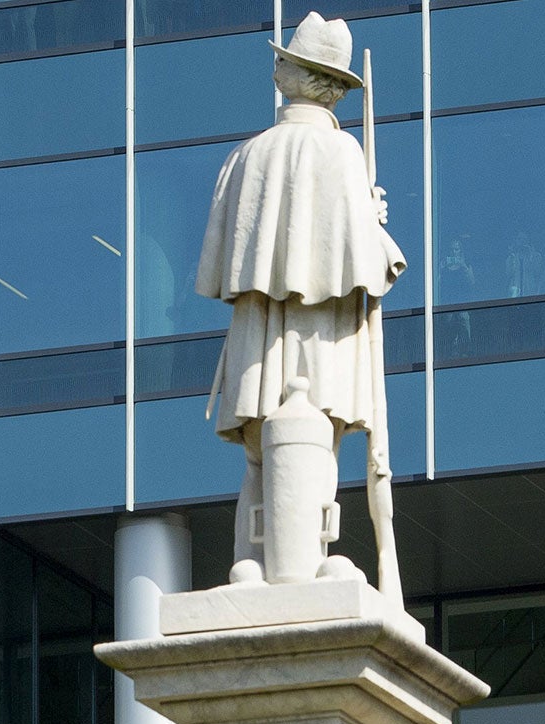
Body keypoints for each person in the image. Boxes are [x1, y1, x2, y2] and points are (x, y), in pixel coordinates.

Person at [195, 11, 407, 576]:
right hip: (324, 334)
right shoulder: (341, 156)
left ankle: (252, 563)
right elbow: (372, 263)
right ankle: (306, 561)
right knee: (318, 446)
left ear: (302, 75)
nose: (278, 62)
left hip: (260, 331)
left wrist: (366, 218)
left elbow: (226, 258)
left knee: (259, 457)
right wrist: (375, 226)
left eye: (285, 58)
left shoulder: (246, 156)